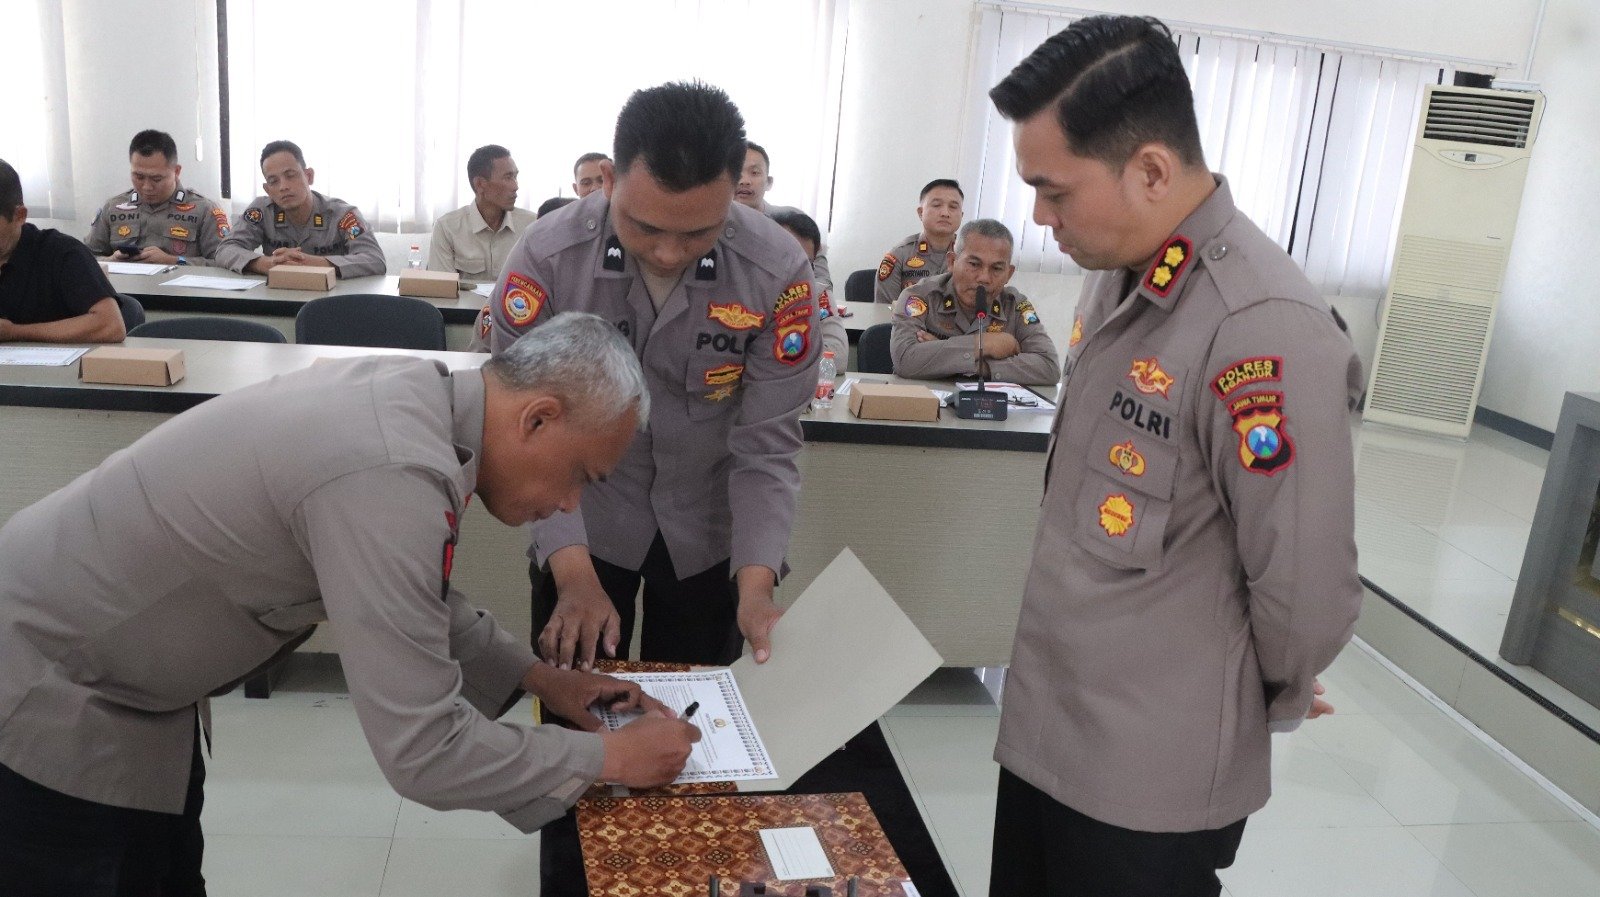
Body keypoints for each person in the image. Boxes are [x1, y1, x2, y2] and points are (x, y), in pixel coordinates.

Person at [0, 313, 700, 896]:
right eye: (581, 476)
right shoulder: (390, 466)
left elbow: (401, 592)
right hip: (52, 686)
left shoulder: (416, 398)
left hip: (122, 678)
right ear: (538, 418)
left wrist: (543, 679)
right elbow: (426, 749)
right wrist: (609, 758)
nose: (571, 505)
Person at [985, 16, 1364, 897]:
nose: (1039, 218)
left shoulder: (1259, 328)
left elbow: (1306, 592)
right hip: (1047, 727)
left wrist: (1245, 694)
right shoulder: (1121, 270)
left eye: (1054, 191)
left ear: (1152, 171)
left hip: (1147, 780)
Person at [478, 81, 819, 673]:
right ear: (609, 181)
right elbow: (523, 429)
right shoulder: (548, 257)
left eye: (697, 233)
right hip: (582, 514)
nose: (668, 253)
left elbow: (767, 444)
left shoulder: (777, 270)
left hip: (706, 525)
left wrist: (757, 590)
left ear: (734, 194)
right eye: (646, 228)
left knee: (698, 713)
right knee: (576, 699)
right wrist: (573, 577)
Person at [889, 219, 1058, 384]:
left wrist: (974, 364)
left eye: (996, 268)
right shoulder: (920, 296)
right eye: (974, 264)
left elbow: (1049, 367)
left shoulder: (1015, 306)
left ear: (1009, 274)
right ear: (952, 262)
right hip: (925, 400)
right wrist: (985, 343)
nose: (984, 278)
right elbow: (905, 359)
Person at [214, 140, 386, 277]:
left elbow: (375, 260)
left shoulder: (342, 215)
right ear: (268, 190)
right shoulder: (261, 211)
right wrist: (266, 264)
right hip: (277, 296)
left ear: (308, 176)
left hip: (331, 299)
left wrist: (309, 263)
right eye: (274, 181)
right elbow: (225, 249)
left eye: (290, 176)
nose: (283, 186)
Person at [0, 159, 127, 344]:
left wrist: (14, 332)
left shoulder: (62, 253)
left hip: (55, 362)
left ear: (20, 215)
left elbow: (110, 325)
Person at [84, 129, 231, 266]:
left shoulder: (204, 210)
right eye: (139, 177)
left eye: (156, 179)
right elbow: (85, 258)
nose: (147, 186)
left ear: (176, 171)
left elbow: (224, 263)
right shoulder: (113, 208)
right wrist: (110, 261)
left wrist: (174, 260)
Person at [428, 144, 536, 285]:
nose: (516, 186)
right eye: (508, 177)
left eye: (515, 177)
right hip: (464, 301)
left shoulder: (532, 225)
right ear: (480, 184)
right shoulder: (447, 228)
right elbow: (442, 288)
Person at [739, 141, 832, 295]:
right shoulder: (710, 225)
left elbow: (822, 281)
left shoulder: (792, 221)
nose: (744, 181)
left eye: (754, 173)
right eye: (737, 171)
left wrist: (789, 299)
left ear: (769, 182)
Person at [769, 207, 846, 368]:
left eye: (805, 263)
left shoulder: (817, 293)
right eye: (786, 257)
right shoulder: (742, 290)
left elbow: (838, 358)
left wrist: (769, 355)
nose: (795, 269)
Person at [874, 178, 964, 304]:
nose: (945, 213)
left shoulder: (970, 255)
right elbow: (885, 310)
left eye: (953, 207)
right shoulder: (899, 256)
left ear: (961, 215)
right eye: (937, 205)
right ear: (921, 213)